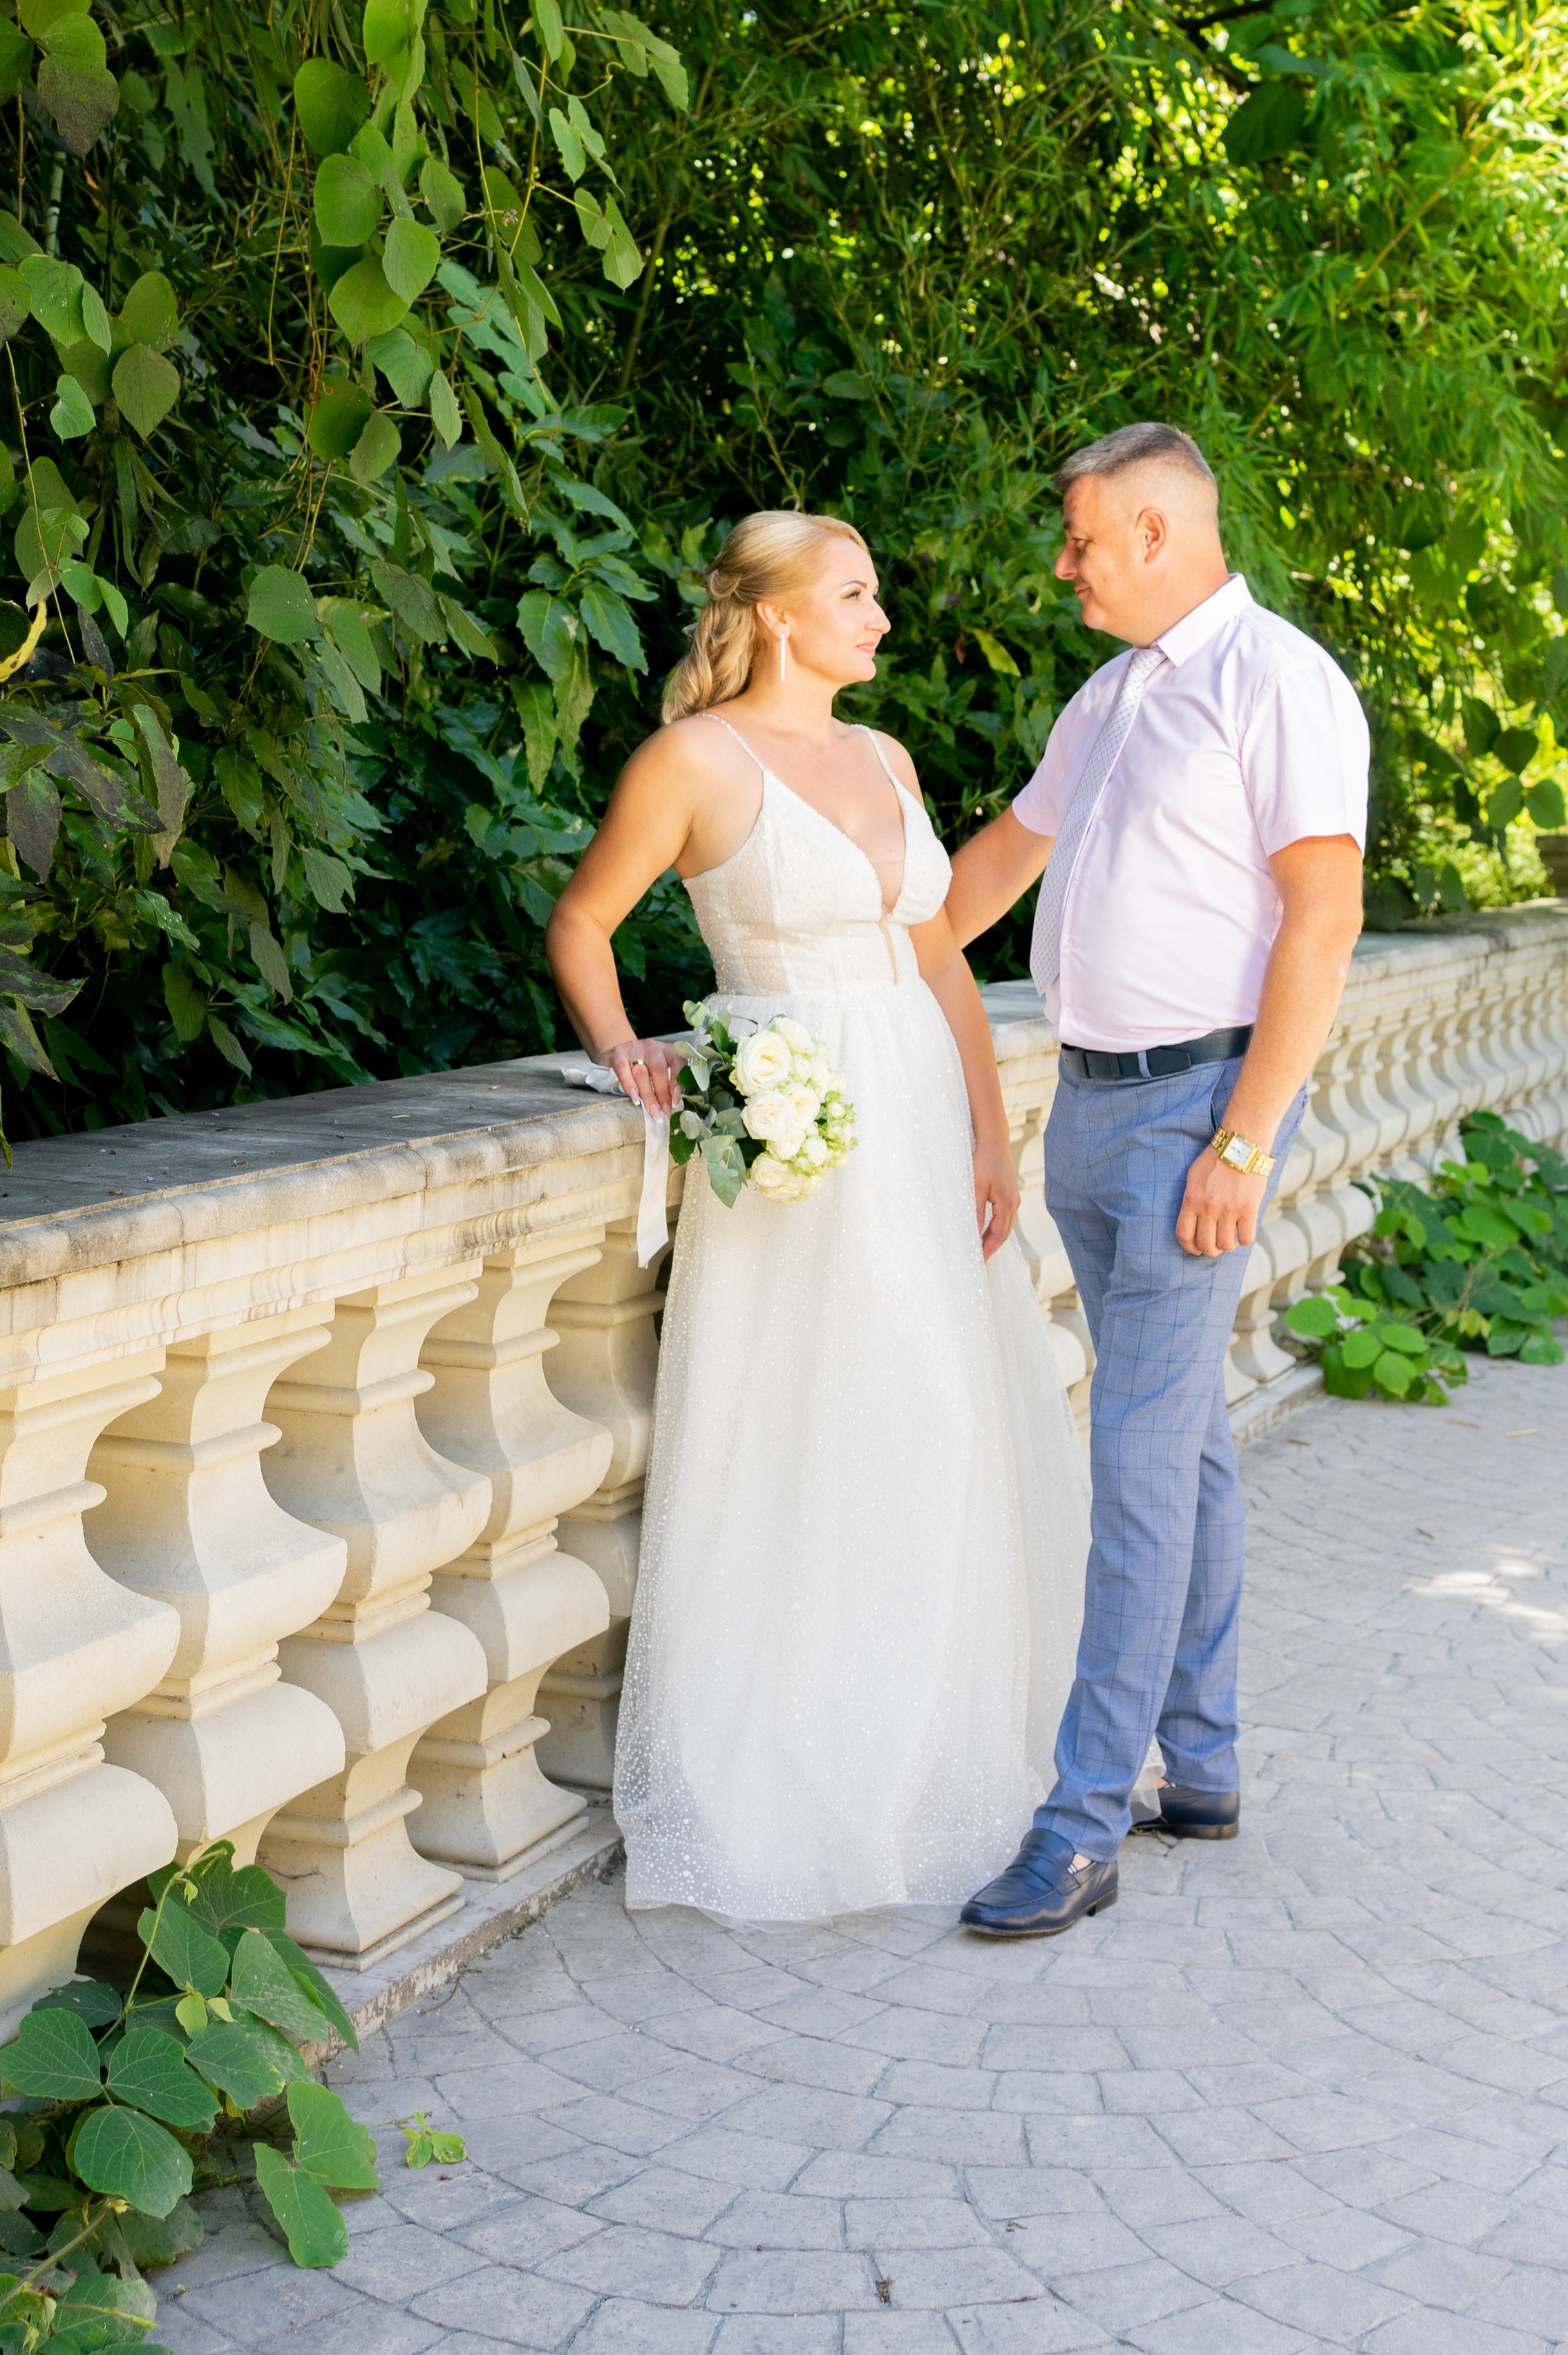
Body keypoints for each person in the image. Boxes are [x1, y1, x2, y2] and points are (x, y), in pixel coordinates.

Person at [546, 510, 1092, 1922]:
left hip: (911, 1111)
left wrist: (987, 1130)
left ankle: (926, 1759)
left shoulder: (884, 758)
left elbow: (938, 961)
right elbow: (583, 922)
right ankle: (788, 1773)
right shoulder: (692, 761)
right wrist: (631, 1054)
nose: (879, 617)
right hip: (793, 1133)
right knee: (803, 1425)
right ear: (778, 615)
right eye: (854, 594)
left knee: (933, 1417)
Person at [946, 423, 1368, 1941]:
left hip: (1199, 1108)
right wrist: (839, 939)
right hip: (1089, 1109)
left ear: (1147, 529)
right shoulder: (1113, 696)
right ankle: (1199, 1766)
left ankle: (1076, 1825)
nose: (1059, 565)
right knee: (1176, 1450)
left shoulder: (1279, 684)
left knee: (1129, 1463)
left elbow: (1319, 925)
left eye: (1075, 540)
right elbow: (999, 861)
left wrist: (1243, 1144)